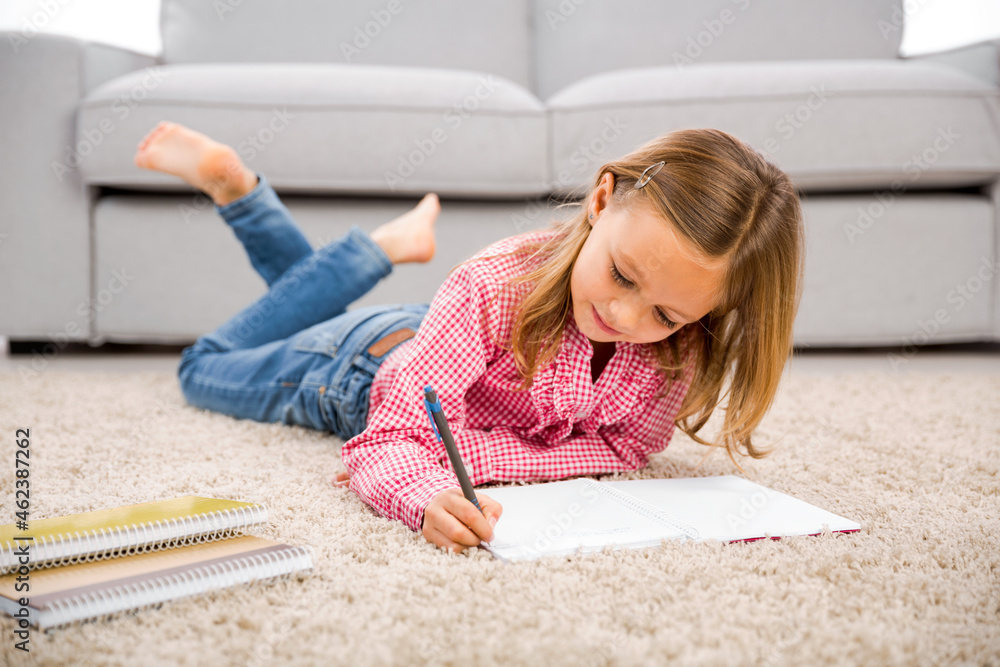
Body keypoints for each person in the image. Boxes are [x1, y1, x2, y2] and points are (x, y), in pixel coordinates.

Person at [134, 121, 803, 555]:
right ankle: (326, 231)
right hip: (352, 370)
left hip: (429, 342)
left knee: (302, 318)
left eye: (666, 315)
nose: (628, 319)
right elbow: (390, 439)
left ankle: (371, 247)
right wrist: (424, 492)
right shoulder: (490, 286)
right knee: (203, 366)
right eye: (622, 275)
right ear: (601, 202)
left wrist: (478, 457)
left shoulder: (683, 347)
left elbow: (627, 447)